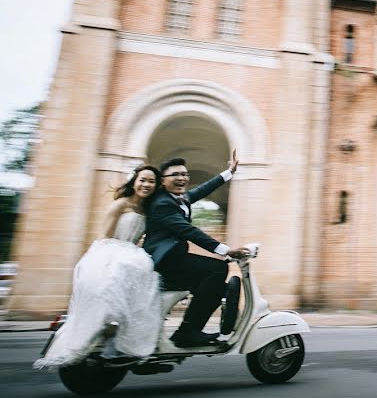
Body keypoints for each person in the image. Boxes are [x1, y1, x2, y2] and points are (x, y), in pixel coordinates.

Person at [34, 166, 164, 369]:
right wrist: (114, 258)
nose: (146, 185)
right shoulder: (121, 204)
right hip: (111, 251)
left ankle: (126, 344)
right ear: (134, 181)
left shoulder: (147, 209)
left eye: (151, 181)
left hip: (132, 253)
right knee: (118, 283)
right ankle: (108, 343)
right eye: (143, 180)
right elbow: (105, 236)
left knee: (145, 285)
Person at [143, 150, 249, 347]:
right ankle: (189, 331)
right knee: (217, 268)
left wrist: (229, 172)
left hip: (174, 258)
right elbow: (189, 231)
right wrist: (226, 250)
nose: (181, 178)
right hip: (165, 263)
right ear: (162, 181)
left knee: (213, 275)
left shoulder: (178, 198)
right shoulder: (163, 204)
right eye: (175, 175)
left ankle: (221, 298)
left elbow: (202, 190)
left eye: (184, 174)